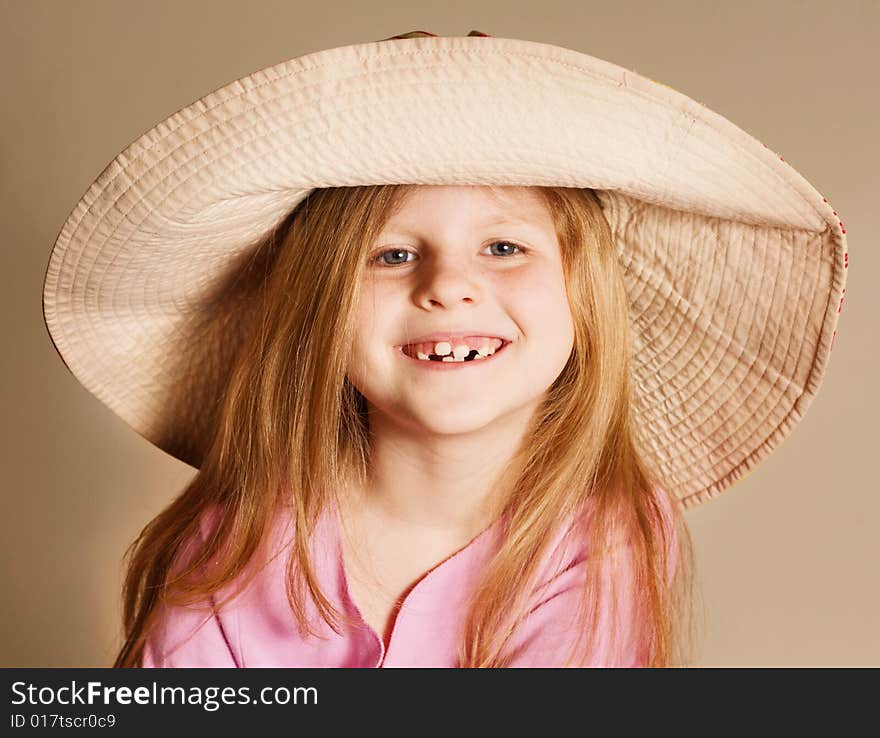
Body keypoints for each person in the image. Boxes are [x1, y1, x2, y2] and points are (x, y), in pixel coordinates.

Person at [41, 30, 848, 668]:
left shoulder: (606, 536)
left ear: (582, 300)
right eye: (392, 255)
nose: (448, 286)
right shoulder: (234, 545)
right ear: (320, 312)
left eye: (503, 248)